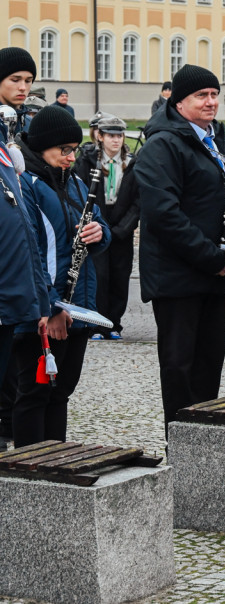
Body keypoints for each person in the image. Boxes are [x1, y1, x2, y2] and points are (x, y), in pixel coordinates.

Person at [134, 64, 225, 430]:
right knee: (180, 368)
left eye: (214, 94)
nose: (211, 102)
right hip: (179, 276)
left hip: (215, 274)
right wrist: (210, 256)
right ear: (179, 103)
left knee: (210, 362)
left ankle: (203, 446)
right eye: (202, 95)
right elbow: (163, 213)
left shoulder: (220, 141)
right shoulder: (162, 144)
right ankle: (180, 445)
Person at [11, 106, 109, 447]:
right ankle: (28, 472)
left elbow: (98, 225)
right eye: (62, 150)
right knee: (35, 392)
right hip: (44, 308)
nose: (70, 157)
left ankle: (57, 468)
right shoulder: (27, 184)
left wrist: (100, 233)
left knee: (62, 391)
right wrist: (51, 307)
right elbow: (28, 251)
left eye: (74, 150)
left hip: (79, 305)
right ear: (41, 148)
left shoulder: (80, 184)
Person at [0, 46, 40, 446]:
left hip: (12, 287)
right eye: (15, 79)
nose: (23, 87)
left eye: (28, 80)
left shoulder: (10, 135)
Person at [75, 115, 139, 341]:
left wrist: (124, 228)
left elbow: (137, 200)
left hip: (122, 228)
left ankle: (114, 324)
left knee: (120, 277)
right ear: (100, 136)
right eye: (111, 135)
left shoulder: (131, 162)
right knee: (99, 277)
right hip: (97, 226)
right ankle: (96, 325)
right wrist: (96, 224)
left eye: (120, 135)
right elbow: (81, 195)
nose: (116, 140)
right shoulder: (88, 160)